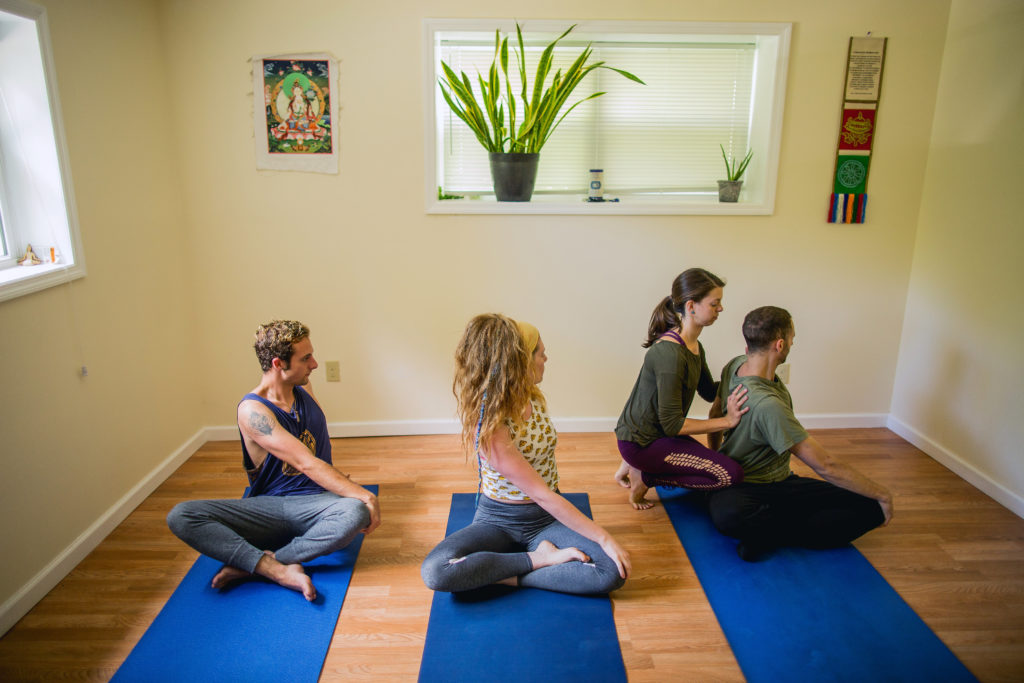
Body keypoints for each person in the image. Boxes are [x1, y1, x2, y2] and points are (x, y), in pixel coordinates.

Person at [167, 320, 380, 600]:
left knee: (354, 513)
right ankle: (276, 570)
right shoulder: (253, 411)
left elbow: (317, 448)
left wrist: (343, 488)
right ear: (278, 364)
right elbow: (305, 462)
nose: (314, 364)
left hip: (317, 503)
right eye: (305, 358)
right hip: (270, 510)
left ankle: (265, 561)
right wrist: (366, 495)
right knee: (182, 515)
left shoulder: (303, 387)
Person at [421, 314, 630, 594]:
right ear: (521, 362)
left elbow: (547, 499)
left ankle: (498, 575)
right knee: (437, 571)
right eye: (540, 353)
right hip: (498, 520)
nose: (546, 358)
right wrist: (603, 538)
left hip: (545, 519)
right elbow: (541, 494)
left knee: (611, 571)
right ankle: (539, 559)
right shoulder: (490, 424)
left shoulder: (532, 395)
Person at [707, 306, 893, 561]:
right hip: (759, 487)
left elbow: (714, 413)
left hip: (743, 484)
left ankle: (762, 529)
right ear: (780, 344)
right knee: (873, 508)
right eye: (792, 337)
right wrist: (882, 494)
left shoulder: (734, 366)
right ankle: (774, 533)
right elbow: (826, 465)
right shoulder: (769, 405)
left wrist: (716, 458)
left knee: (732, 513)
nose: (794, 342)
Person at [614, 268, 749, 510]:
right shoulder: (670, 354)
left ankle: (636, 466)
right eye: (715, 303)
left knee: (720, 467)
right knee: (729, 475)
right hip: (642, 443)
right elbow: (673, 424)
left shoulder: (693, 345)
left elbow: (709, 392)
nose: (720, 309)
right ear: (691, 306)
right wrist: (727, 421)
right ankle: (645, 476)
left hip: (660, 436)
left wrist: (746, 378)